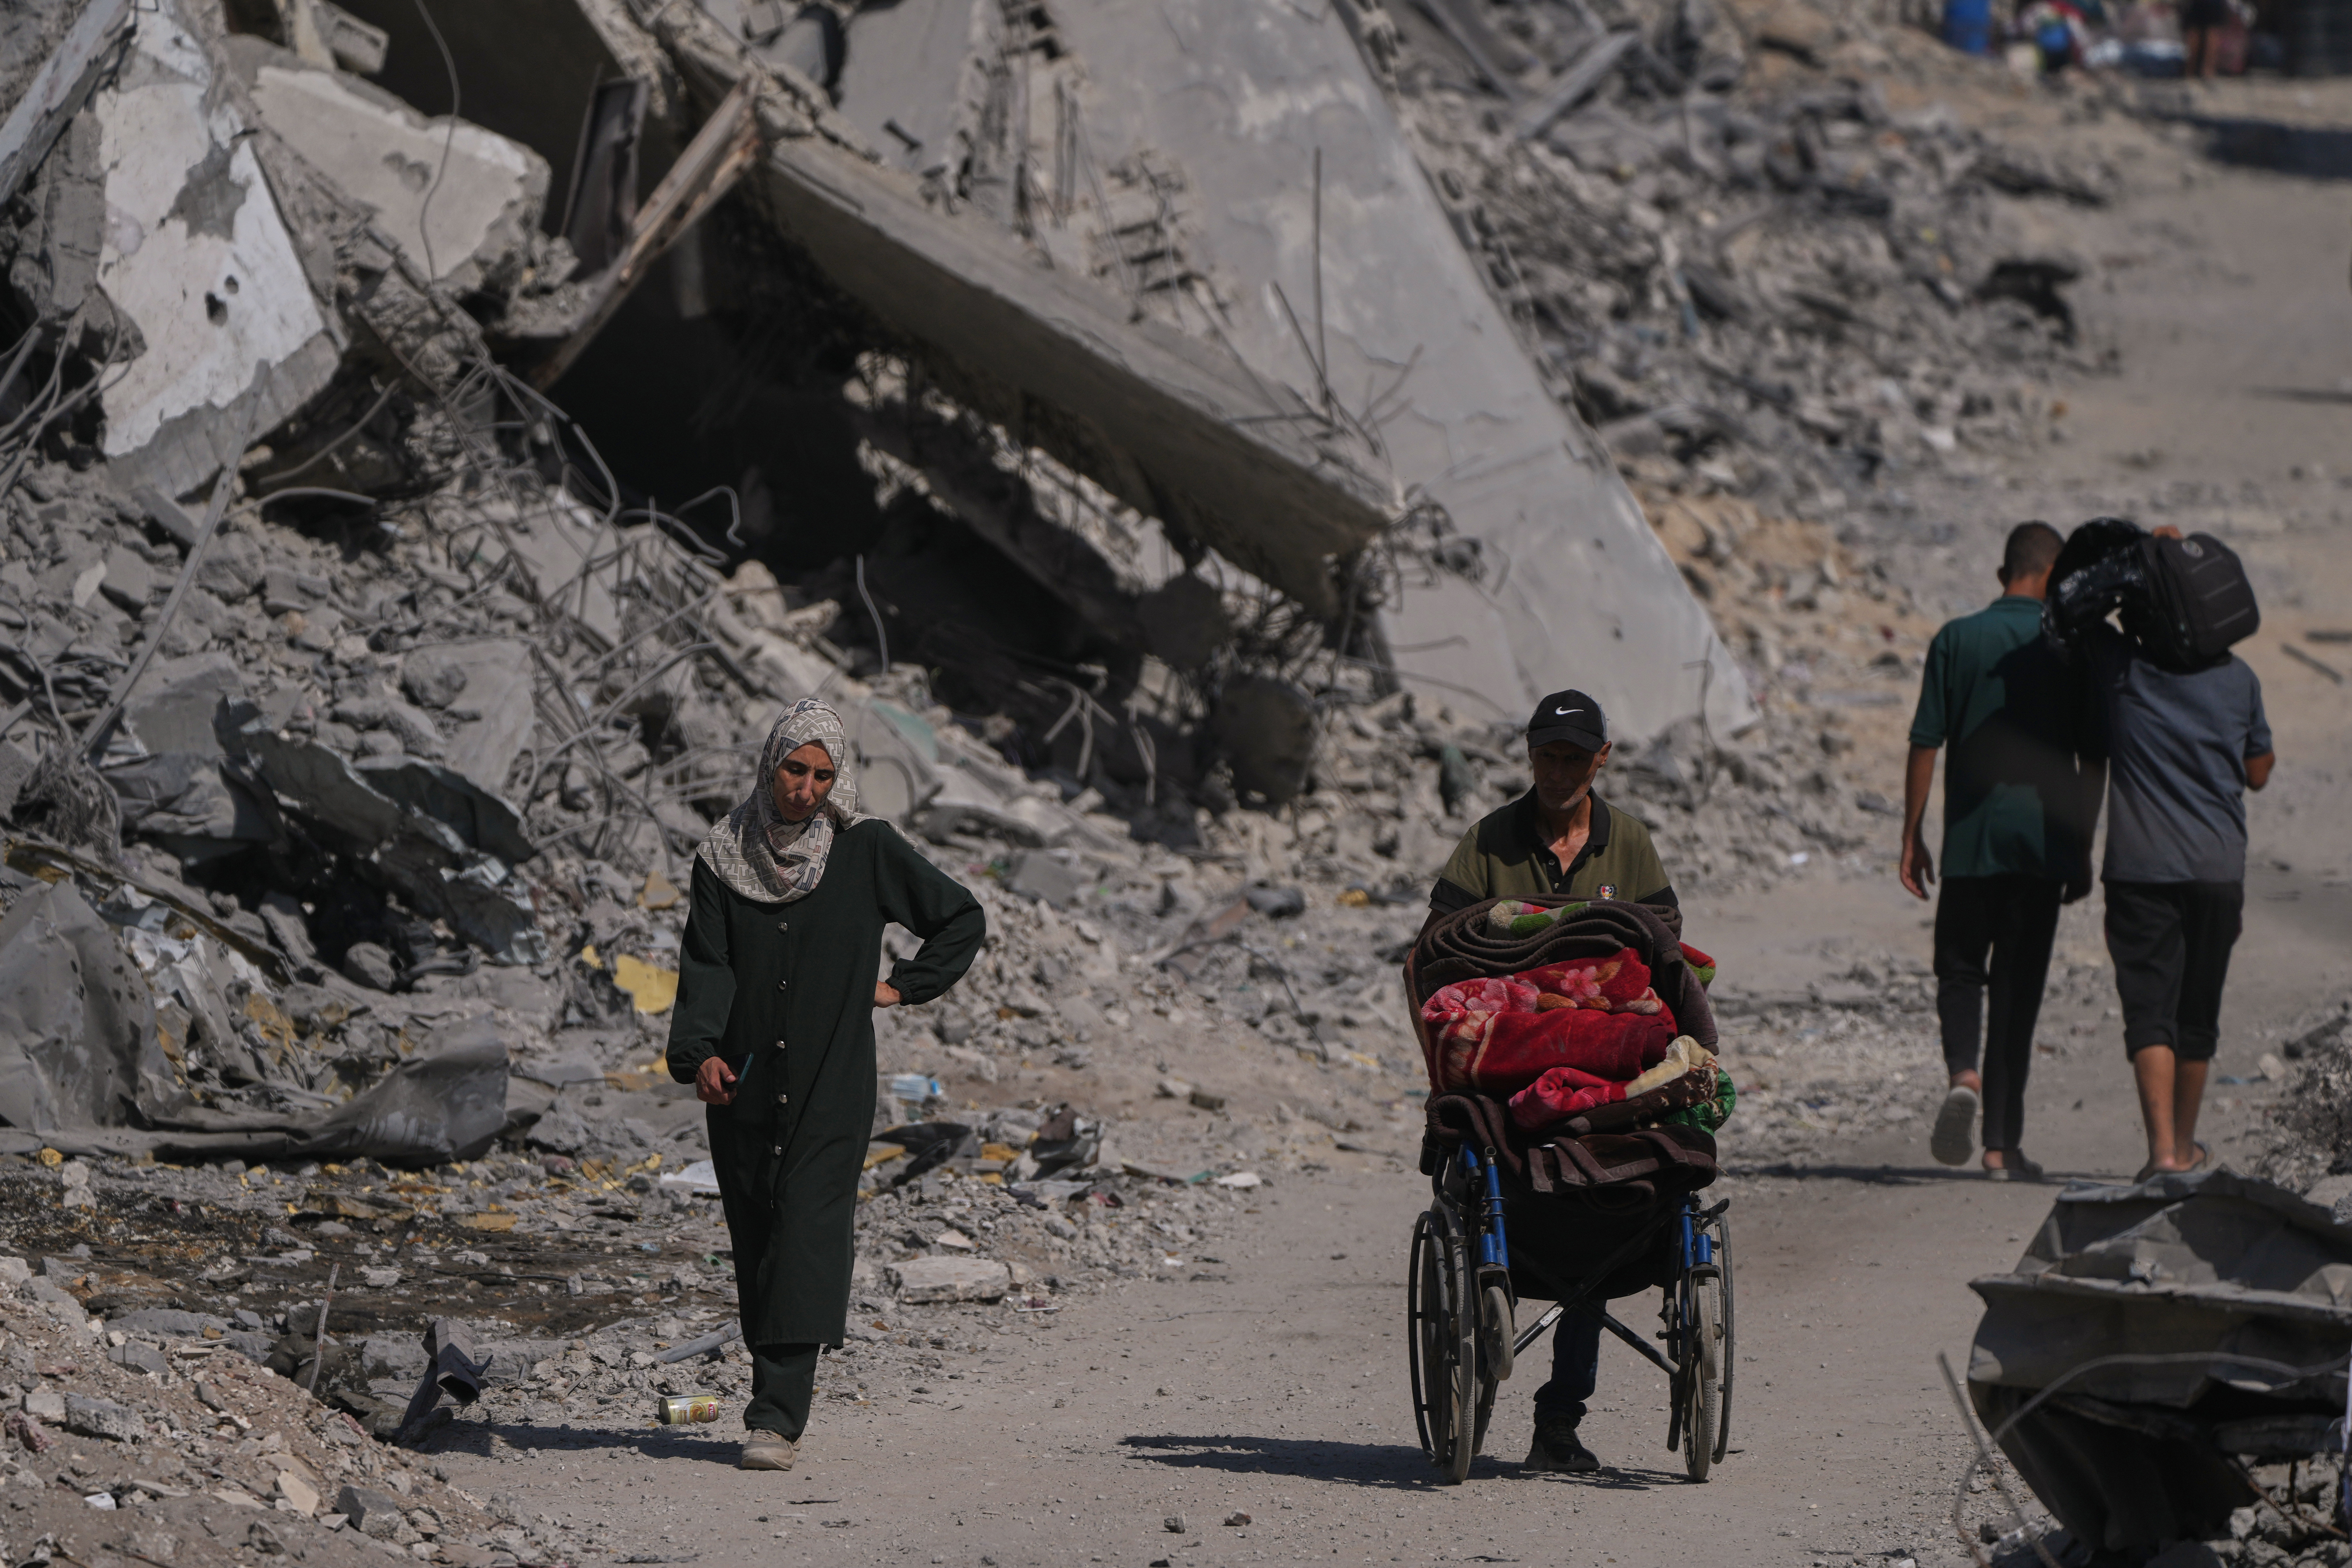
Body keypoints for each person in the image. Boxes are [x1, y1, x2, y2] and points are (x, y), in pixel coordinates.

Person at [666, 699, 986, 1471]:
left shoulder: (865, 850)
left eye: (822, 775)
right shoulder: (721, 857)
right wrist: (699, 1053)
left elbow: (960, 918)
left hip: (831, 1084)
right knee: (758, 1234)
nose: (806, 788)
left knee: (807, 1231)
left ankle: (776, 1418)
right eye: (794, 769)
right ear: (770, 762)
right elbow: (707, 965)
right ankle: (768, 1394)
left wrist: (902, 987)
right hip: (743, 1084)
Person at [1426, 689, 1677, 1475]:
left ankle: (1560, 1418)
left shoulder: (1629, 846)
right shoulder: (1489, 843)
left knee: (1603, 1202)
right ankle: (1486, 1326)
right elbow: (1438, 945)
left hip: (1600, 1057)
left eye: (1574, 757)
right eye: (1546, 756)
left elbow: (1668, 957)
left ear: (1602, 761)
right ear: (1530, 757)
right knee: (1489, 1159)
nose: (1559, 770)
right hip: (1512, 1051)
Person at [1901, 521, 2099, 1182]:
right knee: (2019, 992)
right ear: (2051, 577)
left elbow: (1926, 741)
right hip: (2043, 847)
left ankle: (1964, 1073)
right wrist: (2082, 844)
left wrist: (1913, 835)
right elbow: (2091, 757)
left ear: (2004, 573)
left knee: (1960, 970)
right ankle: (2001, 1148)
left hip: (1970, 845)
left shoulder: (1957, 638)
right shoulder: (2069, 646)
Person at [2076, 532, 2275, 1181]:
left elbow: (2076, 604)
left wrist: (2141, 556)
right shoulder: (2240, 681)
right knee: (2198, 1014)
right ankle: (2186, 1150)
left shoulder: (2123, 669)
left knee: (2149, 1013)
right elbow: (2259, 772)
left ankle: (2161, 1151)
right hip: (2217, 869)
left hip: (2140, 869)